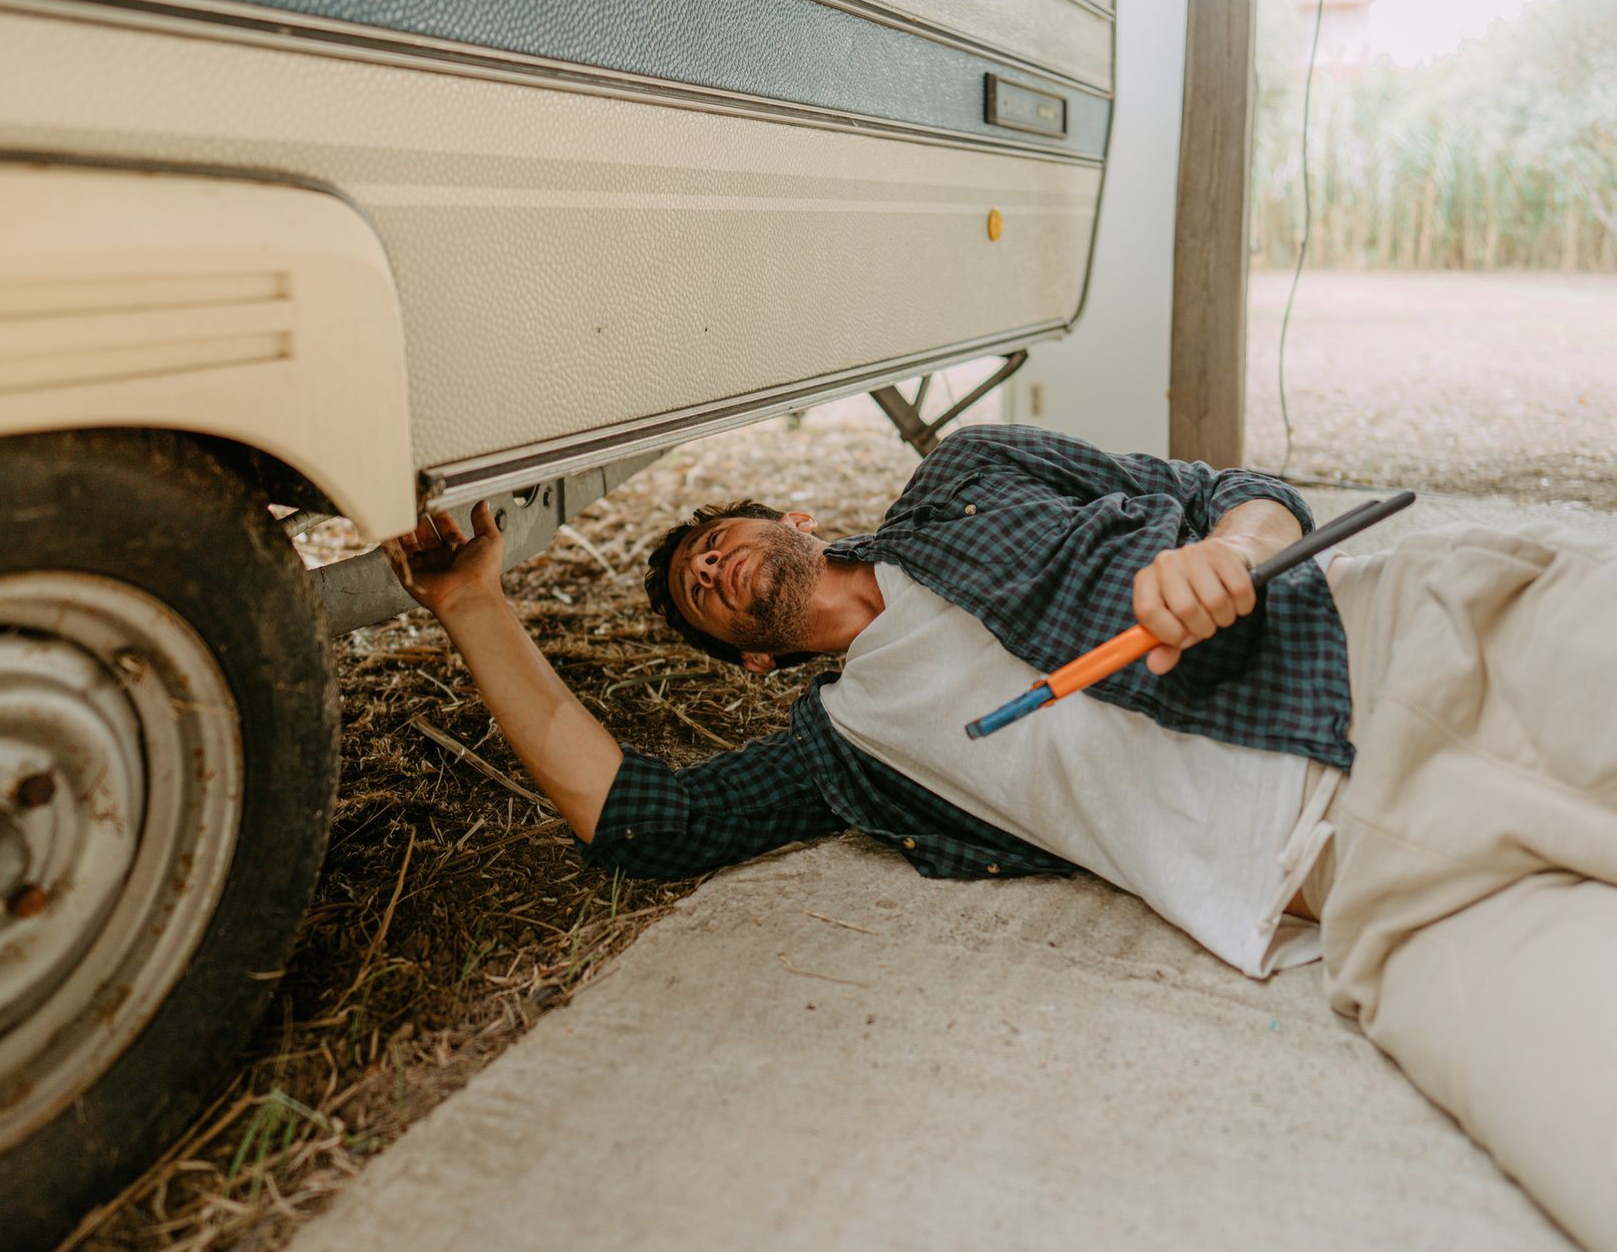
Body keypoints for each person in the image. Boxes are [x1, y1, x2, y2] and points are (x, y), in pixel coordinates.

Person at [382, 422, 1617, 1251]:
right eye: (690, 593)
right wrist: (473, 602)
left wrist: (1228, 553)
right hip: (1368, 888)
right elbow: (639, 819)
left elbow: (1226, 490)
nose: (703, 563)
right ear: (748, 657)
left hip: (1421, 649)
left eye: (714, 535)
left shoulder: (971, 472)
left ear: (796, 516)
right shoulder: (850, 750)